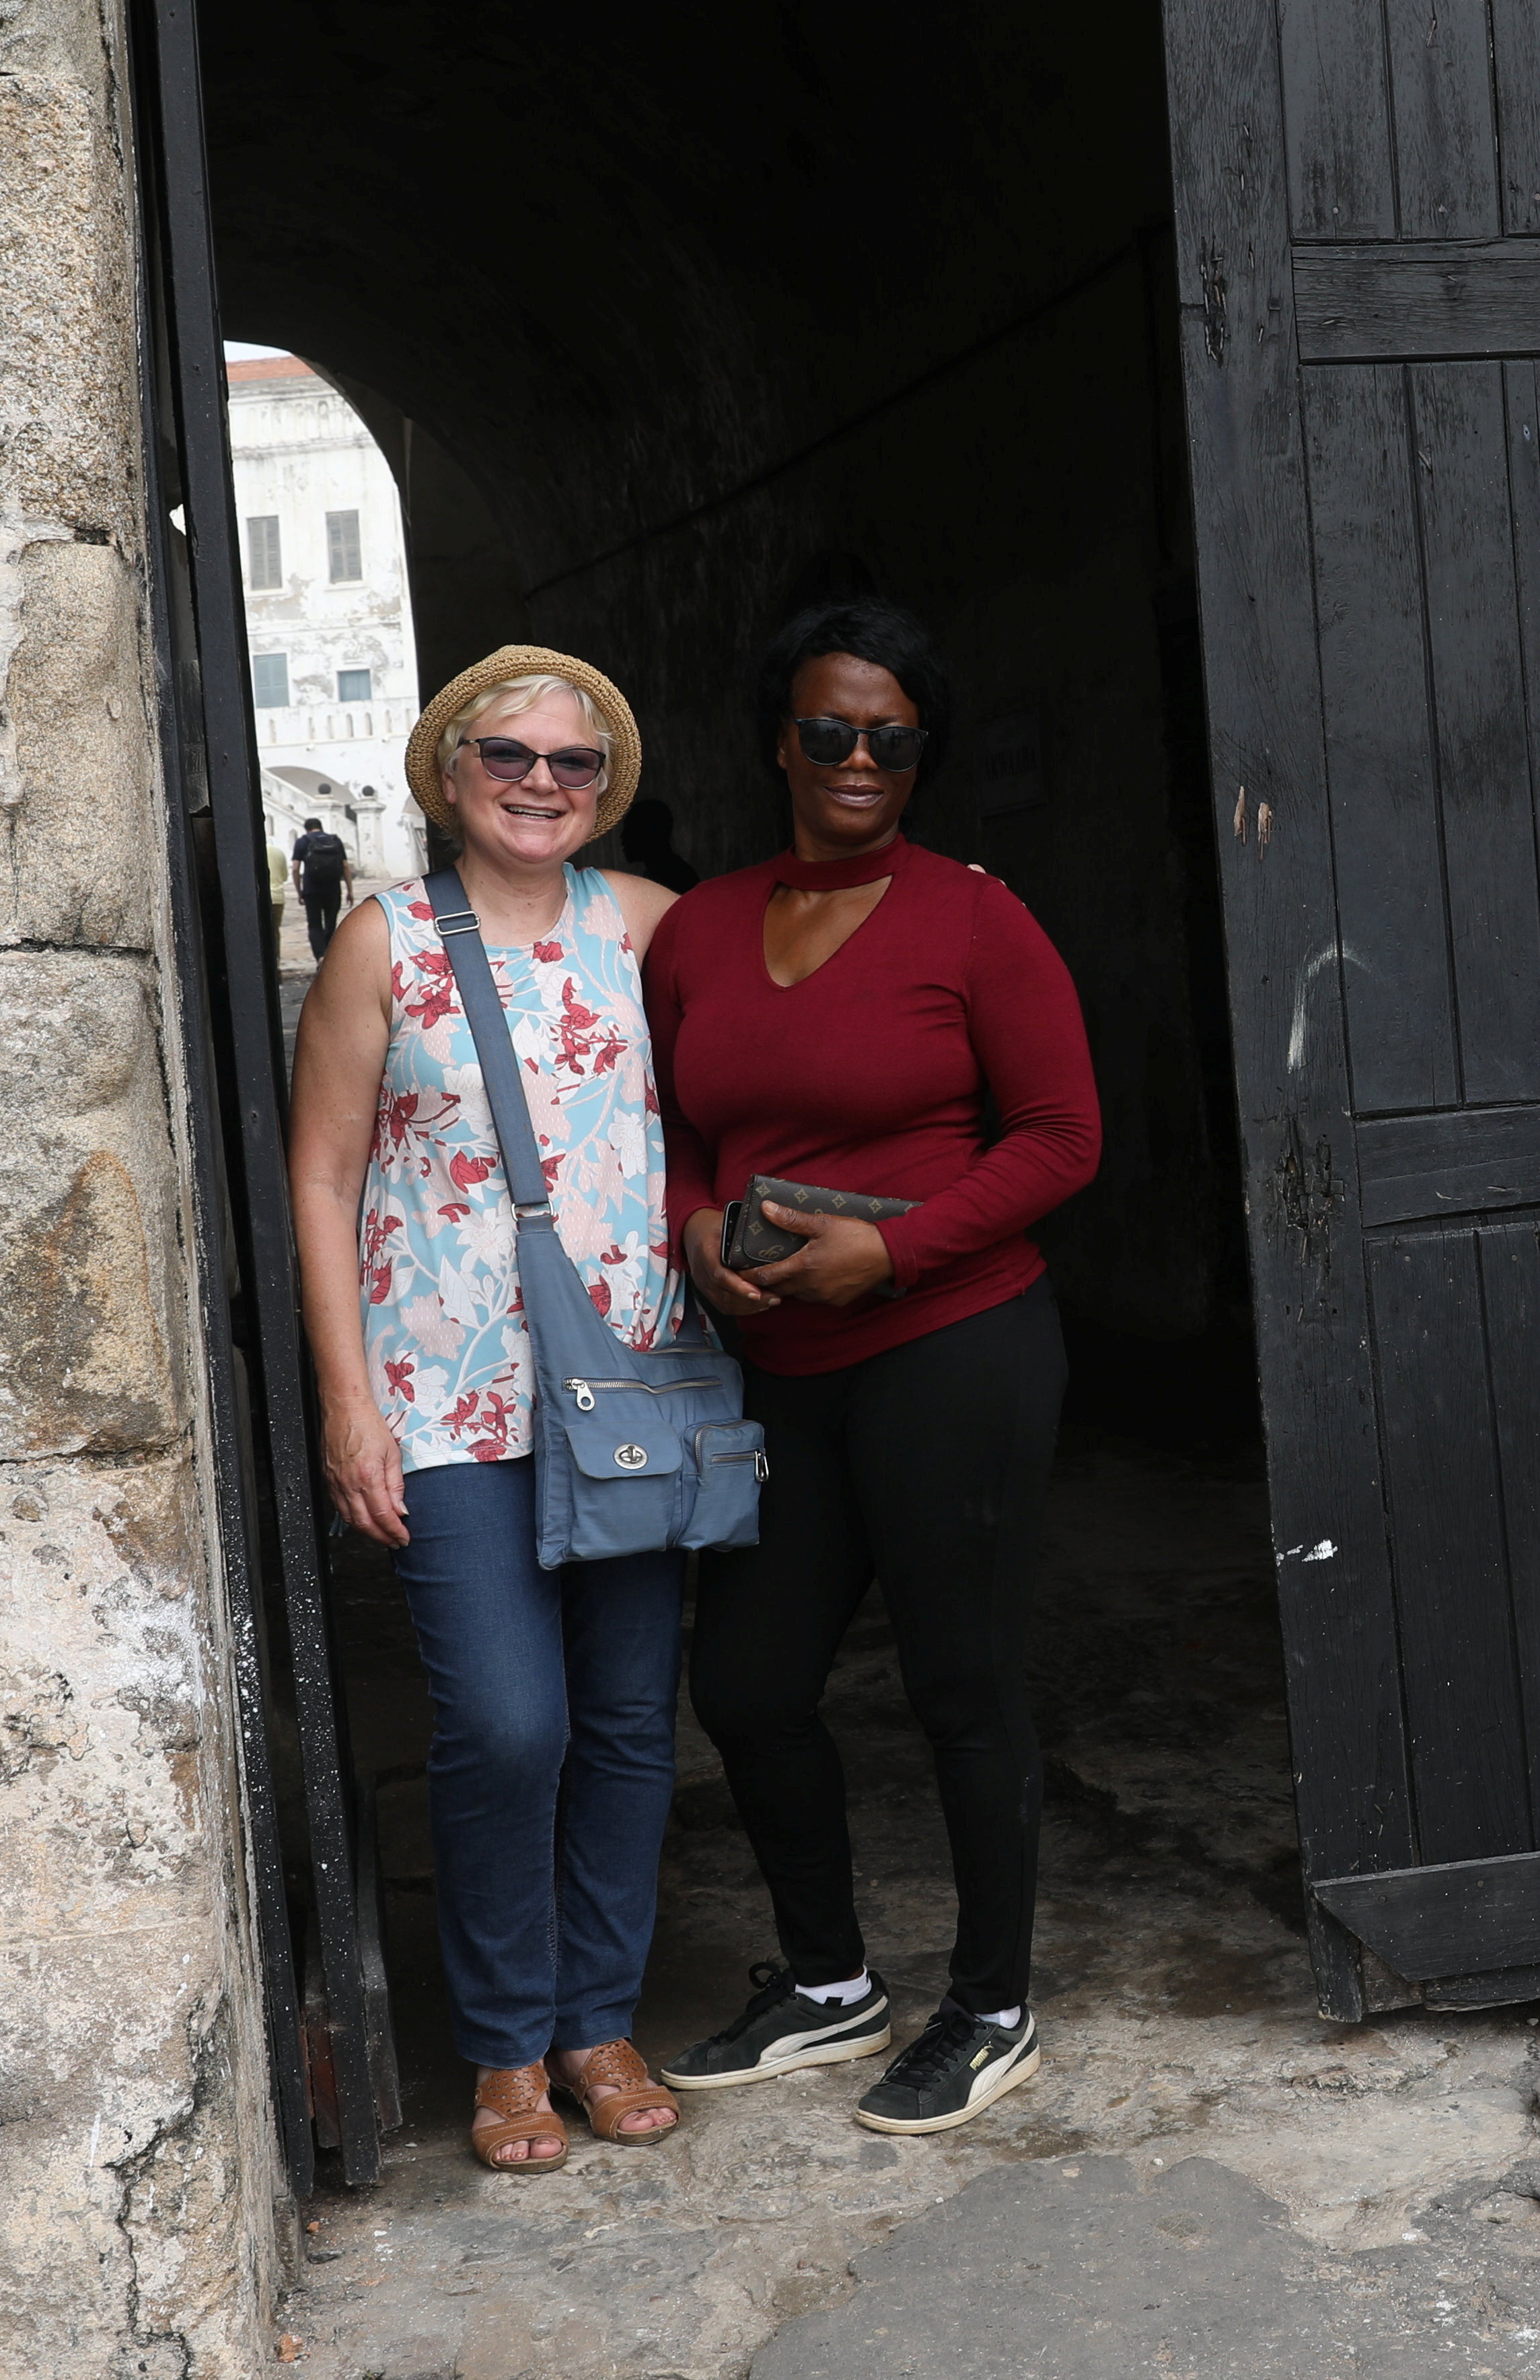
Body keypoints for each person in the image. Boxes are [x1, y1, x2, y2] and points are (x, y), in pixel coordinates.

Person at [643, 598, 1102, 2137]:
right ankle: (830, 1979)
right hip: (781, 1363)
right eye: (828, 728)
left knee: (960, 1681)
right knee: (749, 1678)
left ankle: (990, 2006)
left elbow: (1061, 1138)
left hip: (953, 1345)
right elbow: (687, 1122)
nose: (856, 756)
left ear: (921, 754)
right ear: (780, 738)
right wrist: (694, 1219)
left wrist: (892, 1253)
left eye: (889, 736)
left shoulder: (976, 917)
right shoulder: (702, 925)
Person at [283, 645, 693, 2175]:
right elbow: (321, 1177)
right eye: (507, 757)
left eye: (569, 764)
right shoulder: (384, 947)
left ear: (604, 787)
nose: (539, 783)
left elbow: (791, 1010)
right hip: (440, 1397)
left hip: (629, 1388)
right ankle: (507, 2039)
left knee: (632, 1725)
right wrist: (345, 1403)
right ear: (451, 771)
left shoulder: (650, 927)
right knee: (509, 1724)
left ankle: (597, 2019)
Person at [291, 817, 351, 961]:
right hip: (333, 889)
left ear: (307, 829)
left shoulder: (303, 842)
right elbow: (346, 866)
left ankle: (321, 957)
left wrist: (300, 892)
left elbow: (295, 869)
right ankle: (330, 957)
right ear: (321, 827)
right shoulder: (335, 840)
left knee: (315, 925)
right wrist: (350, 890)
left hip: (312, 890)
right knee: (331, 923)